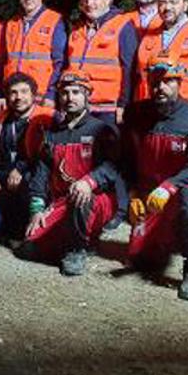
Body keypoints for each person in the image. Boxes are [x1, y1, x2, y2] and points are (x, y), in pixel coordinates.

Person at [122, 58, 188, 301]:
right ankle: (162, 240)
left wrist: (169, 186)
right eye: (155, 82)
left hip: (184, 185)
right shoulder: (136, 113)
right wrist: (132, 193)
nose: (160, 88)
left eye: (167, 82)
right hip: (149, 191)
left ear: (179, 82)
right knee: (142, 261)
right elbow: (126, 160)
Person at [18, 69, 120, 276]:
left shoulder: (102, 130)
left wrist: (90, 181)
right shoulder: (53, 135)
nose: (69, 98)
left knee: (82, 198)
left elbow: (114, 167)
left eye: (76, 92)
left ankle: (78, 249)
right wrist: (37, 209)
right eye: (65, 93)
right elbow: (41, 174)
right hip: (63, 201)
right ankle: (75, 238)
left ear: (87, 95)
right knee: (29, 248)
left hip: (97, 199)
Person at [0, 72, 54, 240]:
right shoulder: (2, 117)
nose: (18, 97)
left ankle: (33, 218)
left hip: (32, 177)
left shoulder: (46, 118)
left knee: (23, 232)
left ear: (34, 95)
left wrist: (20, 169)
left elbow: (44, 156)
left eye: (24, 92)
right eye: (13, 92)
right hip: (4, 178)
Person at [66, 0, 139, 127]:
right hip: (79, 107)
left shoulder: (122, 25)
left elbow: (129, 69)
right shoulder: (77, 29)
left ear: (108, 0)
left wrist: (123, 104)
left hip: (108, 109)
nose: (89, 3)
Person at [0, 0, 66, 110]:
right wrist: (0, 94)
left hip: (40, 99)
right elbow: (2, 63)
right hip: (13, 97)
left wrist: (51, 95)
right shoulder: (11, 24)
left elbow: (60, 63)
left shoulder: (54, 20)